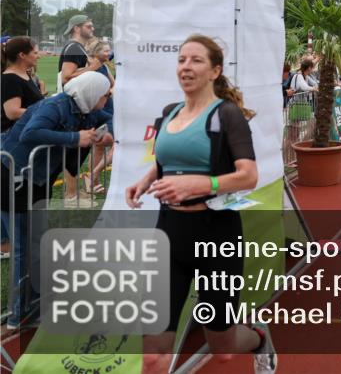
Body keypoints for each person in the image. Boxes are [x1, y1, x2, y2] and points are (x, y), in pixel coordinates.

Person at [125, 34, 276, 374]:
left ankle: (257, 337)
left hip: (216, 238)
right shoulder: (169, 113)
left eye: (196, 61)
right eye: (181, 60)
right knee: (152, 356)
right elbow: (166, 159)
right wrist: (145, 181)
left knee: (222, 348)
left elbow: (248, 175)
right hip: (170, 235)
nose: (186, 67)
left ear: (214, 71)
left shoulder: (227, 115)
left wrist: (203, 184)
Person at [1, 71, 113, 330]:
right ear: (92, 93)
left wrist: (108, 133)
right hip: (14, 178)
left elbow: (112, 118)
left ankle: (35, 301)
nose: (108, 99)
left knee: (37, 243)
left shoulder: (84, 108)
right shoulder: (56, 105)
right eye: (105, 94)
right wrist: (76, 138)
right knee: (22, 248)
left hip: (37, 180)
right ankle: (17, 316)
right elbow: (31, 133)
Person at [1, 37, 44, 262]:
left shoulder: (25, 75)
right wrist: (46, 111)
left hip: (20, 141)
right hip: (9, 142)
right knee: (9, 195)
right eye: (35, 52)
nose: (38, 55)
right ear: (22, 55)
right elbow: (12, 112)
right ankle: (7, 242)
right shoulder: (9, 79)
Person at [57, 14, 100, 203]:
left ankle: (72, 192)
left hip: (78, 107)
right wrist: (93, 67)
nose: (92, 28)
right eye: (88, 26)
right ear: (77, 28)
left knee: (77, 153)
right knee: (73, 153)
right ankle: (71, 195)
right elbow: (67, 76)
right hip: (72, 107)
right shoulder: (73, 48)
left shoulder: (78, 48)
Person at [83, 40, 115, 194]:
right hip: (99, 111)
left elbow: (113, 84)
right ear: (96, 53)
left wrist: (111, 91)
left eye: (109, 50)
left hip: (108, 109)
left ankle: (92, 180)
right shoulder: (92, 66)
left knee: (99, 147)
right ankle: (92, 176)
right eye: (105, 51)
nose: (108, 53)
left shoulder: (104, 66)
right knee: (114, 145)